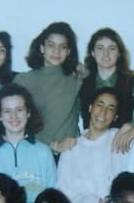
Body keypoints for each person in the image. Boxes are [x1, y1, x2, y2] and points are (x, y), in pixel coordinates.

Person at [56, 87, 129, 203]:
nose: (103, 112)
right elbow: (63, 193)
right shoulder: (72, 147)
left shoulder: (119, 140)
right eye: (99, 105)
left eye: (110, 109)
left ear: (115, 116)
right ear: (90, 108)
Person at [77, 27, 134, 152]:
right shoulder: (81, 83)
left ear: (119, 53)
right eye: (100, 48)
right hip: (91, 150)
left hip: (123, 149)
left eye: (112, 48)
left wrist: (131, 126)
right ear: (92, 52)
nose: (106, 53)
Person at [14, 21, 83, 153]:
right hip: (37, 152)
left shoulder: (75, 78)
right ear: (42, 48)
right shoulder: (24, 81)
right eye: (51, 45)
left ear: (68, 51)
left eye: (62, 47)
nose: (56, 51)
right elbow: (18, 123)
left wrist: (83, 69)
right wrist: (53, 145)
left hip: (70, 153)